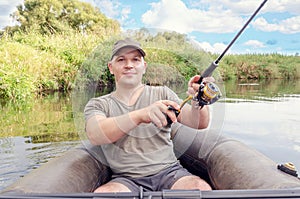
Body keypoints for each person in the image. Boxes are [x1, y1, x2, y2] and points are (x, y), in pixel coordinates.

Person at [84, 38, 212, 192]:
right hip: (125, 179)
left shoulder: (163, 93)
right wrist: (141, 115)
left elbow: (199, 123)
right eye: (121, 60)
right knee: (105, 194)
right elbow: (95, 134)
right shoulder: (98, 104)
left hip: (170, 172)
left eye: (135, 60)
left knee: (199, 187)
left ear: (144, 67)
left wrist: (199, 101)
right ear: (111, 67)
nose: (129, 65)